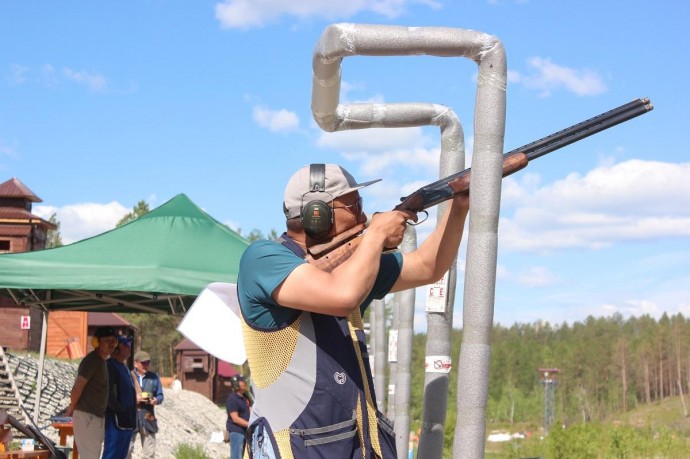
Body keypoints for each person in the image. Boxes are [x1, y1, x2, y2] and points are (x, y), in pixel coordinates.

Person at [237, 163, 470, 458]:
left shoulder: (353, 269)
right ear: (317, 213)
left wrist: (459, 207)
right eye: (353, 204)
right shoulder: (263, 258)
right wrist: (376, 236)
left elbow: (429, 267)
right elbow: (342, 295)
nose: (363, 213)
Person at [68, 326, 119, 459]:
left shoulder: (101, 361)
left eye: (113, 340)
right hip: (87, 416)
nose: (111, 343)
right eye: (107, 340)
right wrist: (71, 409)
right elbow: (77, 388)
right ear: (97, 342)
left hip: (94, 417)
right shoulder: (91, 361)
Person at [103, 335, 137, 459]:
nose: (129, 347)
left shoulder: (124, 367)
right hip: (115, 420)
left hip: (127, 420)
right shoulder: (110, 366)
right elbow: (108, 394)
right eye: (126, 345)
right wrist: (121, 410)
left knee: (121, 455)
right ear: (116, 348)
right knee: (111, 454)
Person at [127, 351, 163, 459]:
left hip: (148, 416)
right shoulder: (128, 376)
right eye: (144, 363)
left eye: (148, 363)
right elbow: (121, 396)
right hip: (131, 417)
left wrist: (156, 400)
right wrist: (135, 399)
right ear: (136, 363)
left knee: (149, 453)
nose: (146, 365)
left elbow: (160, 396)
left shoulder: (154, 377)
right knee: (126, 450)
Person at [226, 375, 251, 459]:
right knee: (236, 457)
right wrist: (250, 424)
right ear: (236, 384)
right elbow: (235, 419)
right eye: (242, 381)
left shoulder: (245, 397)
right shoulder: (232, 399)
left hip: (244, 431)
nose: (245, 383)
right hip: (237, 432)